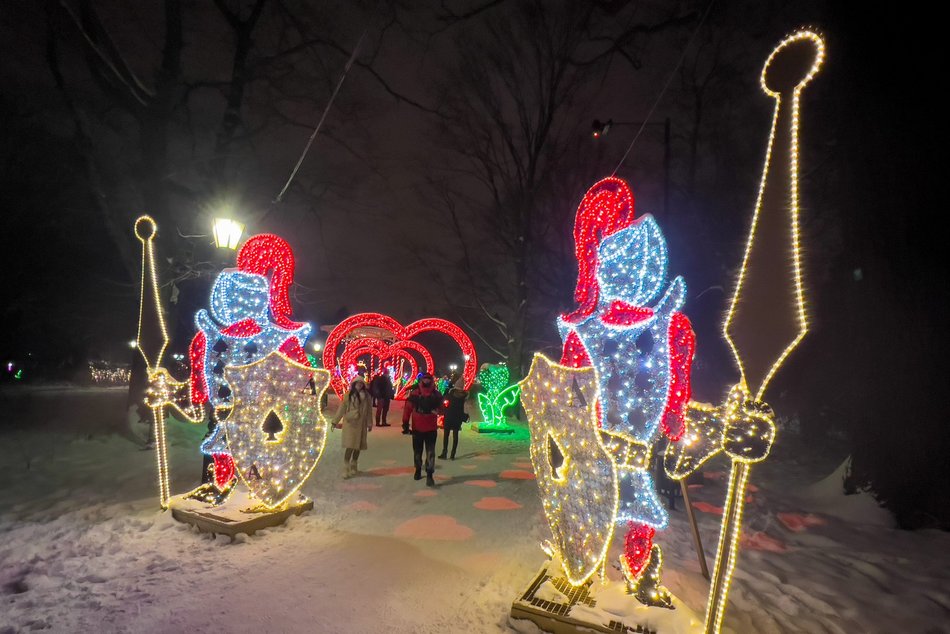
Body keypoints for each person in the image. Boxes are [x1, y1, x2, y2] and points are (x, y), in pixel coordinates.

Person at [401, 372, 443, 486]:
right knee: (429, 452)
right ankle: (428, 473)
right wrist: (438, 412)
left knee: (419, 451)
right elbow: (442, 409)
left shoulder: (415, 394)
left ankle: (419, 470)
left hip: (420, 427)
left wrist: (405, 423)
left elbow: (407, 409)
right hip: (427, 427)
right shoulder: (436, 394)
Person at [329, 377, 373, 478]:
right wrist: (335, 421)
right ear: (354, 384)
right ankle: (346, 467)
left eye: (361, 384)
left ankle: (354, 466)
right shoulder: (348, 395)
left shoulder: (367, 396)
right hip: (351, 424)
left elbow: (369, 411)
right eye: (358, 383)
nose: (360, 385)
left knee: (358, 447)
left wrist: (369, 423)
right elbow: (342, 409)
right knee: (350, 446)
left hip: (361, 425)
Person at [439, 378, 468, 460]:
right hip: (457, 419)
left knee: (446, 436)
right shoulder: (463, 397)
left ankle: (444, 453)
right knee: (455, 436)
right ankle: (453, 454)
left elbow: (444, 404)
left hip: (448, 417)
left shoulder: (450, 395)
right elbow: (465, 409)